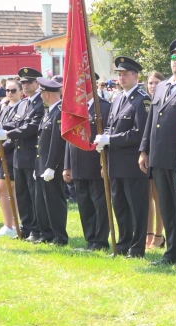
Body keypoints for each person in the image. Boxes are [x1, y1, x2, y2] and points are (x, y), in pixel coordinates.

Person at [139, 39, 176, 267]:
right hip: (159, 156)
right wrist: (144, 150)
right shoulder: (162, 87)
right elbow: (152, 120)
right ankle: (171, 251)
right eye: (174, 57)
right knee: (167, 207)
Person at [0, 77, 69, 246]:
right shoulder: (49, 111)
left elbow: (57, 143)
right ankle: (46, 234)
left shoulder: (58, 112)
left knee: (54, 202)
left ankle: (59, 237)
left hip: (51, 165)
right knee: (41, 202)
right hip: (40, 163)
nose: (41, 95)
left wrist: (51, 166)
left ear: (48, 94)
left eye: (43, 92)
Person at [96, 56, 150, 257]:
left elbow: (139, 132)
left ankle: (137, 248)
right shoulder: (118, 98)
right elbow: (111, 126)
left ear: (136, 76)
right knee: (120, 206)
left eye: (125, 74)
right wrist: (105, 140)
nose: (121, 77)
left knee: (137, 207)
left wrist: (111, 139)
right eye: (119, 74)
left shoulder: (142, 99)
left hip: (133, 163)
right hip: (115, 163)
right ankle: (124, 243)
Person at [64, 78, 111, 251]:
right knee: (84, 203)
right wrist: (67, 165)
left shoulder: (103, 107)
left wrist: (103, 164)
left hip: (94, 162)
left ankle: (100, 240)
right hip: (77, 162)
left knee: (99, 203)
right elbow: (69, 138)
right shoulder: (76, 108)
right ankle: (90, 239)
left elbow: (106, 137)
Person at [0, 67, 44, 241]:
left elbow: (31, 127)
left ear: (37, 83)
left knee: (34, 195)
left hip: (33, 155)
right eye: (23, 82)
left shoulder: (41, 102)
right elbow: (16, 123)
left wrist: (8, 133)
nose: (25, 85)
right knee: (23, 195)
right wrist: (3, 127)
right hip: (19, 155)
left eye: (29, 82)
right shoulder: (24, 103)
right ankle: (26, 228)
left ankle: (36, 230)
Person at [0, 79, 24, 238]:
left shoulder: (22, 107)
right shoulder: (4, 108)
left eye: (13, 90)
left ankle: (14, 225)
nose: (9, 93)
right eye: (7, 90)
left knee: (9, 190)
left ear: (20, 91)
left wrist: (1, 150)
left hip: (11, 153)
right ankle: (8, 225)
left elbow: (16, 134)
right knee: (2, 190)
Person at [144, 70, 165, 249]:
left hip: (159, 155)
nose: (153, 86)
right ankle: (148, 234)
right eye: (150, 83)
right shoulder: (146, 102)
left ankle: (159, 235)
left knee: (158, 197)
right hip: (145, 156)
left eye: (156, 82)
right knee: (147, 196)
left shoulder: (163, 101)